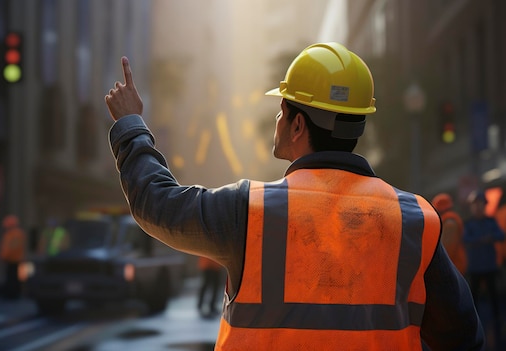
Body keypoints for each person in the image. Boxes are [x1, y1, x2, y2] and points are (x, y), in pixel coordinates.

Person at [104, 43, 484, 350]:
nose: (277, 119)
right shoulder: (415, 219)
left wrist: (131, 125)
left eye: (281, 110)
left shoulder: (250, 211)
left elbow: (157, 204)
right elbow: (463, 336)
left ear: (298, 124)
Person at [463, 190, 505, 339]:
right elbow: (465, 240)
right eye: (476, 204)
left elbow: (501, 235)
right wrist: (481, 240)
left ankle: (498, 324)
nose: (478, 207)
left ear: (484, 205)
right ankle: (473, 325)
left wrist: (491, 237)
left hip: (490, 266)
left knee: (495, 298)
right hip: (475, 268)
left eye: (481, 204)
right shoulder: (468, 224)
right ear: (472, 207)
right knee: (473, 298)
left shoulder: (491, 221)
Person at [431, 192, 467, 274]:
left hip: (454, 265)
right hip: (454, 264)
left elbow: (448, 248)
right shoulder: (448, 220)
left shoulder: (449, 223)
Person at [0, 214, 26, 299]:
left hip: (14, 259)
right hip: (11, 259)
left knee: (13, 278)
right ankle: (12, 294)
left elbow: (13, 247)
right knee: (11, 277)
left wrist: (5, 256)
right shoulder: (10, 234)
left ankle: (13, 294)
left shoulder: (16, 234)